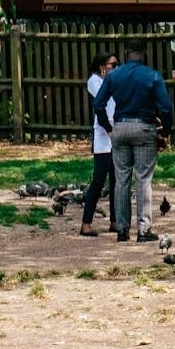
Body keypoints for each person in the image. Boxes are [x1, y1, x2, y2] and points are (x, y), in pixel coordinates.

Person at [93, 39, 173, 242]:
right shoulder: (153, 75)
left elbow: (98, 104)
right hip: (144, 127)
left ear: (126, 53)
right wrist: (165, 131)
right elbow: (166, 107)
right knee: (143, 179)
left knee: (121, 180)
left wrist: (108, 127)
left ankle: (122, 229)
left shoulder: (113, 76)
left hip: (120, 127)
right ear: (144, 52)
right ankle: (144, 229)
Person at [79, 51, 119, 237]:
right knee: (98, 179)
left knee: (116, 180)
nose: (116, 68)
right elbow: (101, 102)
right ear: (103, 66)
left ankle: (115, 220)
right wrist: (108, 127)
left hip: (116, 133)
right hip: (103, 136)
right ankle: (86, 223)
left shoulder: (113, 82)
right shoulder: (94, 81)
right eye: (112, 64)